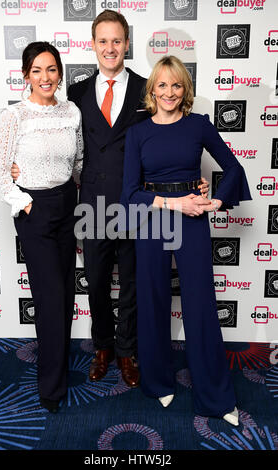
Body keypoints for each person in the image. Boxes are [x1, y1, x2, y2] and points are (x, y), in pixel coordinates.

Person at [12, 10, 209, 388]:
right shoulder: (78, 92)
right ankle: (102, 348)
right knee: (98, 281)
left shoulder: (146, 88)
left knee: (133, 282)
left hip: (138, 204)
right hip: (91, 204)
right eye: (103, 41)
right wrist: (24, 169)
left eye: (117, 41)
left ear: (127, 44)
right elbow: (57, 141)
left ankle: (126, 352)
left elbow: (168, 135)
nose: (110, 48)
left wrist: (190, 178)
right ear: (93, 45)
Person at [121, 55, 252, 425]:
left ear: (185, 89)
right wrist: (173, 203)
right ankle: (158, 381)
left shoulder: (199, 126)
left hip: (193, 218)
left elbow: (234, 168)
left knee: (200, 306)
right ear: (152, 91)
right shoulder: (138, 132)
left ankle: (215, 395)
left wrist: (216, 200)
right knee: (153, 300)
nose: (169, 92)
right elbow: (130, 195)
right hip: (155, 216)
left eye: (176, 85)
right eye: (161, 85)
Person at [0, 41, 83, 413]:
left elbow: (78, 160)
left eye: (52, 69)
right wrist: (26, 203)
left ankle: (57, 368)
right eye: (37, 70)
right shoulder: (14, 116)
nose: (45, 77)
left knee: (66, 295)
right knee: (49, 298)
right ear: (26, 75)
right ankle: (51, 388)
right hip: (35, 210)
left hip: (67, 204)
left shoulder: (71, 111)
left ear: (60, 73)